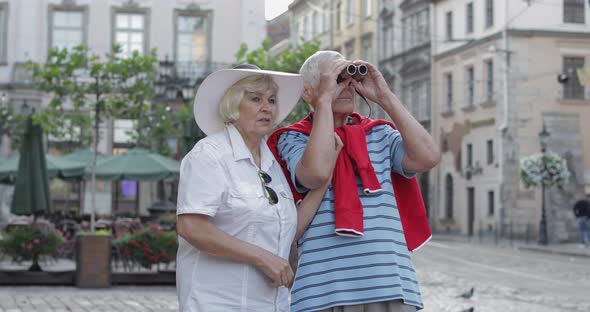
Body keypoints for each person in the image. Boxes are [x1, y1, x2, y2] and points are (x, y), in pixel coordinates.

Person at [268, 51, 441, 312]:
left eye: (348, 78)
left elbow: (427, 157)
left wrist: (385, 96)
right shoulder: (293, 139)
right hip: (323, 291)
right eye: (336, 79)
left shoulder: (380, 133)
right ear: (308, 92)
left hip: (390, 285)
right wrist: (325, 98)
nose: (346, 85)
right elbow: (315, 172)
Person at [175, 64, 304, 311]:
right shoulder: (209, 154)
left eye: (272, 100)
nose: (267, 107)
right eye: (255, 99)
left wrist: (323, 183)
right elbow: (191, 227)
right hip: (218, 302)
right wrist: (262, 257)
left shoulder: (272, 164)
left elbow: (290, 226)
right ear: (233, 107)